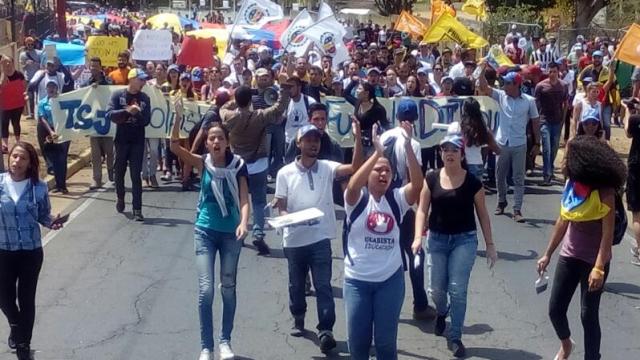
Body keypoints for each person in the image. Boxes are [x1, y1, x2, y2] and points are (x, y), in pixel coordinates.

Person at [169, 97, 249, 360]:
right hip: (204, 231)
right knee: (206, 290)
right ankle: (207, 347)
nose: (216, 142)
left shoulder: (238, 166)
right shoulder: (203, 163)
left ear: (227, 142)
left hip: (231, 234)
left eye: (220, 138)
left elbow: (244, 199)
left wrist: (244, 223)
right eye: (212, 138)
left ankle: (225, 342)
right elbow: (174, 147)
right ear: (207, 143)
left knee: (228, 287)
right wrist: (178, 118)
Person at [274, 120, 363, 353]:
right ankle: (298, 316)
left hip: (320, 238)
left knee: (323, 285)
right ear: (298, 142)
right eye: (309, 140)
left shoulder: (326, 167)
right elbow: (281, 206)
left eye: (316, 140)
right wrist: (288, 218)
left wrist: (357, 138)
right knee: (296, 284)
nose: (314, 144)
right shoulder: (285, 173)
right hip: (294, 240)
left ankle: (326, 330)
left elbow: (355, 167)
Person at [537, 135, 626, 360]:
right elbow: (562, 220)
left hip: (593, 261)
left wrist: (599, 268)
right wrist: (547, 254)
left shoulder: (605, 192)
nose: (564, 160)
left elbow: (607, 234)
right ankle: (566, 345)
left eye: (568, 156)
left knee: (588, 315)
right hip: (569, 256)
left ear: (582, 160)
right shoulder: (571, 185)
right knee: (555, 310)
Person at [343, 122, 423, 360]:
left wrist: (408, 145)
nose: (384, 174)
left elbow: (417, 186)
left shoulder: (396, 199)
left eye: (387, 170)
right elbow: (353, 184)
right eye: (378, 170)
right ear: (368, 173)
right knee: (358, 345)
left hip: (390, 280)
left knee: (386, 345)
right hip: (357, 281)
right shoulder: (356, 200)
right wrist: (377, 154)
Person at [0, 142, 65, 360]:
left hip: (30, 252)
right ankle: (15, 324)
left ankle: (23, 345)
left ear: (30, 164)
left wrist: (52, 222)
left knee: (26, 299)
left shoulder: (39, 187)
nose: (17, 161)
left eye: (23, 158)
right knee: (4, 297)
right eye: (14, 157)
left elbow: (44, 215)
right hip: (4, 251)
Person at [378, 99, 437, 321]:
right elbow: (416, 179)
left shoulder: (384, 137)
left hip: (382, 198)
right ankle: (420, 303)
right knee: (415, 252)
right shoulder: (413, 144)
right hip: (401, 200)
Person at [220, 84, 291, 255]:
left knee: (238, 201)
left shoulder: (230, 117)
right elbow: (279, 107)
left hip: (237, 166)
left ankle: (240, 231)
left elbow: (222, 108)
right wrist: (284, 89)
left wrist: (233, 102)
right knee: (259, 201)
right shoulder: (260, 116)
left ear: (237, 100)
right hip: (258, 164)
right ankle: (258, 232)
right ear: (251, 100)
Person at [478, 64, 541, 223]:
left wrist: (537, 143)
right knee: (500, 175)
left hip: (519, 144)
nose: (504, 85)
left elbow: (535, 122)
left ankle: (517, 209)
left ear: (516, 85)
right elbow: (484, 87)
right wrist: (481, 70)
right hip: (502, 143)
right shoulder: (500, 96)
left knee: (518, 178)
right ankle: (502, 201)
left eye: (507, 83)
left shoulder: (529, 101)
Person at [105, 69, 151, 222]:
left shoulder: (145, 98)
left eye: (144, 80)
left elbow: (146, 121)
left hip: (137, 140)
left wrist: (136, 113)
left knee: (135, 175)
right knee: (119, 171)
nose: (143, 83)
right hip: (122, 140)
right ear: (132, 79)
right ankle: (120, 197)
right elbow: (110, 114)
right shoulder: (118, 95)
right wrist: (127, 112)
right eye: (141, 80)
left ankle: (137, 209)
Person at [80, 57, 114, 190]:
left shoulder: (109, 81)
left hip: (107, 121)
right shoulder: (86, 83)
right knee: (95, 153)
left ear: (101, 67)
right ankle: (97, 179)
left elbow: (114, 91)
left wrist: (101, 87)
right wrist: (90, 88)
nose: (93, 68)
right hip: (93, 122)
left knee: (110, 151)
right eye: (91, 66)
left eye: (96, 66)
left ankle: (112, 175)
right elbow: (81, 95)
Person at [535, 62, 568, 185]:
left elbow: (566, 104)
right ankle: (547, 175)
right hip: (544, 121)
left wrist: (563, 120)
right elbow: (535, 105)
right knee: (547, 148)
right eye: (550, 72)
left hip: (557, 121)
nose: (552, 74)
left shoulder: (563, 86)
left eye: (554, 71)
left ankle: (550, 168)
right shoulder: (540, 86)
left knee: (554, 148)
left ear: (558, 72)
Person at [37, 80, 71, 194]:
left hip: (63, 131)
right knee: (54, 159)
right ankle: (58, 184)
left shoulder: (63, 100)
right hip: (49, 132)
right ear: (46, 89)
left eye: (53, 87)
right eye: (49, 87)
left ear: (57, 88)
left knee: (62, 158)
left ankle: (63, 185)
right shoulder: (42, 103)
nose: (51, 89)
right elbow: (42, 118)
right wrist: (51, 132)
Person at [344, 78, 390, 156]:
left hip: (371, 146)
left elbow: (386, 126)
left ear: (366, 93)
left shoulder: (378, 109)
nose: (357, 91)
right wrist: (353, 81)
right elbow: (345, 94)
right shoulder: (357, 103)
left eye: (359, 89)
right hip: (358, 143)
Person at [623, 101, 640, 265]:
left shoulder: (635, 119)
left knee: (636, 212)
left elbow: (628, 132)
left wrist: (628, 111)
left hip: (636, 167)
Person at [0, 56, 26, 156]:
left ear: (12, 63)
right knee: (4, 124)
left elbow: (24, 87)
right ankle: (5, 145)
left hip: (17, 104)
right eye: (4, 63)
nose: (7, 64)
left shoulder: (19, 74)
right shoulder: (1, 76)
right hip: (4, 105)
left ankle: (17, 142)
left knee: (16, 123)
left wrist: (24, 100)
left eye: (9, 62)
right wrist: (3, 77)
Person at [19, 37, 42, 119]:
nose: (30, 46)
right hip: (28, 78)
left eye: (32, 44)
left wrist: (36, 64)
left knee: (39, 96)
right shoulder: (23, 55)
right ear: (26, 44)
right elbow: (22, 67)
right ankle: (32, 114)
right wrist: (26, 64)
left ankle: (40, 113)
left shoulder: (39, 53)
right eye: (29, 44)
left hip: (38, 78)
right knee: (30, 97)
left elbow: (43, 65)